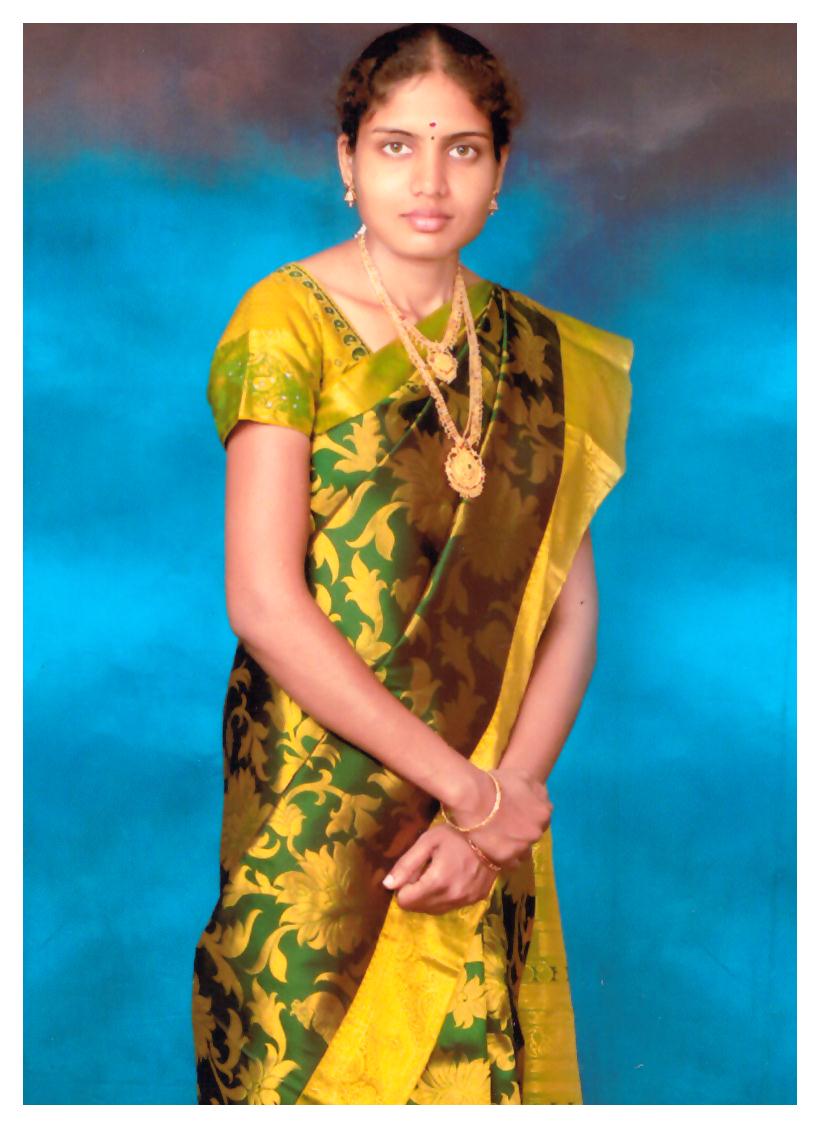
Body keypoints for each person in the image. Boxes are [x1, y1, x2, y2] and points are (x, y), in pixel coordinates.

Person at [191, 22, 633, 1106]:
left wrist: (507, 800)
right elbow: (262, 600)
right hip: (320, 821)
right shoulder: (284, 322)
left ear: (500, 169)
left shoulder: (537, 354)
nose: (429, 181)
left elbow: (571, 609)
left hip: (482, 823)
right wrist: (470, 794)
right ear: (346, 159)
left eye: (462, 148)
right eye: (396, 146)